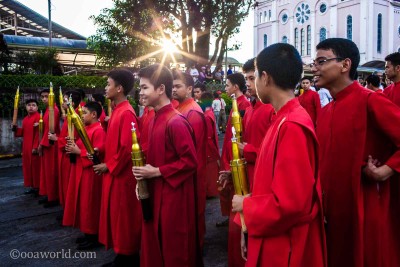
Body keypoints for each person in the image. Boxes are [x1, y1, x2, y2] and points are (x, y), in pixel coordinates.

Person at [232, 43, 326, 267]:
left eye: (254, 77)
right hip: (273, 233)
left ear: (265, 77)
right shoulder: (282, 117)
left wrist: (246, 206)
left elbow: (290, 204)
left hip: (285, 246)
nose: (252, 84)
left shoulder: (292, 124)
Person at [313, 38, 400, 267]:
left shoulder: (371, 100)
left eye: (321, 61)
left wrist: (385, 171)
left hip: (364, 211)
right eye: (315, 62)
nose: (315, 68)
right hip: (330, 215)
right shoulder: (325, 111)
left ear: (345, 65)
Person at [134, 64, 202, 267]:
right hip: (157, 192)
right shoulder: (155, 118)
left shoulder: (176, 122)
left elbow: (191, 162)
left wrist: (157, 171)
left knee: (174, 250)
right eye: (141, 87)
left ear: (161, 89)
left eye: (145, 87)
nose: (141, 92)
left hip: (174, 198)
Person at [227, 58, 275, 267]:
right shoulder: (251, 109)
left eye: (251, 78)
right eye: (245, 78)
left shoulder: (271, 109)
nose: (248, 83)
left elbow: (271, 151)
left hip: (263, 181)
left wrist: (246, 149)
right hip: (247, 177)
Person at [93, 69, 142, 266]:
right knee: (117, 215)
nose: (105, 88)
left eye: (108, 84)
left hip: (122, 176)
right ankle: (122, 255)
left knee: (124, 217)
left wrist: (108, 165)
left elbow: (127, 148)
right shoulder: (118, 110)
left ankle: (128, 257)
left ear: (119, 88)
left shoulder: (126, 113)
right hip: (115, 174)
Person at [63, 101, 106, 250]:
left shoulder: (98, 130)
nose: (82, 115)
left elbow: (95, 155)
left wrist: (77, 151)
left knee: (90, 205)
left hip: (91, 174)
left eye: (85, 112)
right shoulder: (87, 128)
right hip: (82, 171)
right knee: (84, 203)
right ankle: (88, 233)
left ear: (94, 114)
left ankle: (94, 236)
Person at [172, 71, 207, 250]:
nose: (174, 90)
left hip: (192, 174)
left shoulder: (192, 112)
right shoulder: (181, 108)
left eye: (178, 86)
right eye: (172, 86)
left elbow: (194, 153)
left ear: (190, 88)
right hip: (186, 173)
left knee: (193, 215)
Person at [217, 73, 250, 227]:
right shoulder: (236, 103)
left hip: (235, 154)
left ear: (236, 87)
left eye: (228, 85)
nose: (225, 88)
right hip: (229, 151)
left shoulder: (244, 105)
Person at [57, 91, 81, 210]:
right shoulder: (68, 115)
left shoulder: (75, 116)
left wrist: (57, 140)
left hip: (68, 154)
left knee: (68, 184)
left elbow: (73, 137)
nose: (62, 102)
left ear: (72, 102)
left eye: (65, 99)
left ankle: (69, 210)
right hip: (64, 152)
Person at [11, 99, 41, 195]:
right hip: (26, 147)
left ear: (37, 107)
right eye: (29, 105)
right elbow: (23, 132)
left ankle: (38, 187)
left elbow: (38, 134)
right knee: (28, 167)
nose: (31, 107)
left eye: (33, 105)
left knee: (36, 167)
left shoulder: (38, 118)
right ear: (26, 107)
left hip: (34, 147)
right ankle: (32, 186)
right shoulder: (25, 119)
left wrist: (36, 146)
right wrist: (15, 129)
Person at [38, 88, 60, 208]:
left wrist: (41, 144)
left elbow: (50, 130)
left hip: (51, 145)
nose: (44, 99)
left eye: (46, 96)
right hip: (47, 144)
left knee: (51, 172)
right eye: (42, 97)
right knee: (47, 172)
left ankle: (53, 197)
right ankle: (49, 194)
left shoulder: (54, 110)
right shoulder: (47, 110)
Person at [200, 92, 220, 198]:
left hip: (209, 146)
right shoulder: (209, 113)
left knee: (210, 171)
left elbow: (208, 136)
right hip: (211, 145)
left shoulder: (206, 116)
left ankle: (210, 191)